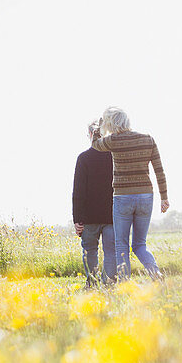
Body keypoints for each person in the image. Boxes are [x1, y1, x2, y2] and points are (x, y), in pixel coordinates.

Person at [90, 107, 169, 280]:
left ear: (111, 123)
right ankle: (156, 273)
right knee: (140, 244)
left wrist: (98, 127)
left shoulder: (113, 140)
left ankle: (125, 284)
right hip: (146, 196)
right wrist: (164, 197)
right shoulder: (148, 139)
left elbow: (95, 144)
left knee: (121, 245)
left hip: (122, 198)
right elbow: (159, 171)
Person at [73, 122, 116, 287]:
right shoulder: (114, 156)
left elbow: (78, 191)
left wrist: (77, 218)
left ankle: (93, 282)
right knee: (110, 250)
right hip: (111, 215)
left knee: (90, 250)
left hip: (88, 217)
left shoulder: (83, 158)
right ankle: (110, 283)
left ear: (90, 135)